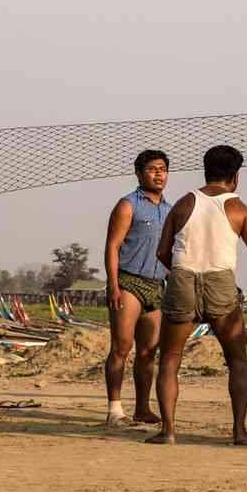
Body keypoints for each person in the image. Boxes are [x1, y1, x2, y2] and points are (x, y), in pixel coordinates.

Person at [146, 145, 247, 445]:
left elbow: (163, 251)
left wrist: (179, 274)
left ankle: (168, 431)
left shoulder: (184, 203)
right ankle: (239, 431)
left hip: (182, 278)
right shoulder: (240, 209)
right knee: (237, 360)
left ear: (206, 170)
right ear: (235, 177)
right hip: (221, 282)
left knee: (170, 361)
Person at [103, 150, 171, 426]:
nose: (159, 174)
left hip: (156, 285)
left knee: (148, 351)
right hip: (128, 281)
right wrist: (113, 285)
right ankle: (114, 409)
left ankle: (142, 408)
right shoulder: (127, 205)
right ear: (139, 173)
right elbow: (112, 246)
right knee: (121, 347)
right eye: (153, 169)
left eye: (163, 169)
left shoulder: (170, 210)